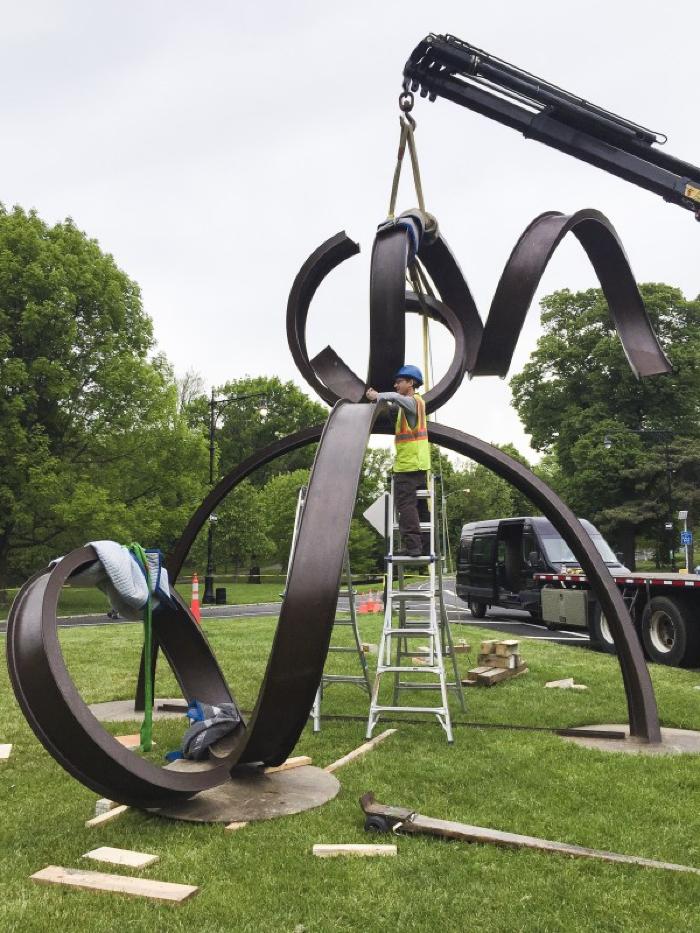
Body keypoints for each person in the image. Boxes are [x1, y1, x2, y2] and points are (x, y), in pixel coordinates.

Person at [366, 365, 430, 557]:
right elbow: (396, 404)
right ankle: (424, 546)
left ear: (411, 383)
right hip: (419, 465)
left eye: (399, 381)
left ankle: (413, 547)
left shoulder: (413, 403)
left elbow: (395, 398)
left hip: (408, 466)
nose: (395, 385)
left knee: (406, 505)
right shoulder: (409, 406)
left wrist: (378, 396)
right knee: (420, 507)